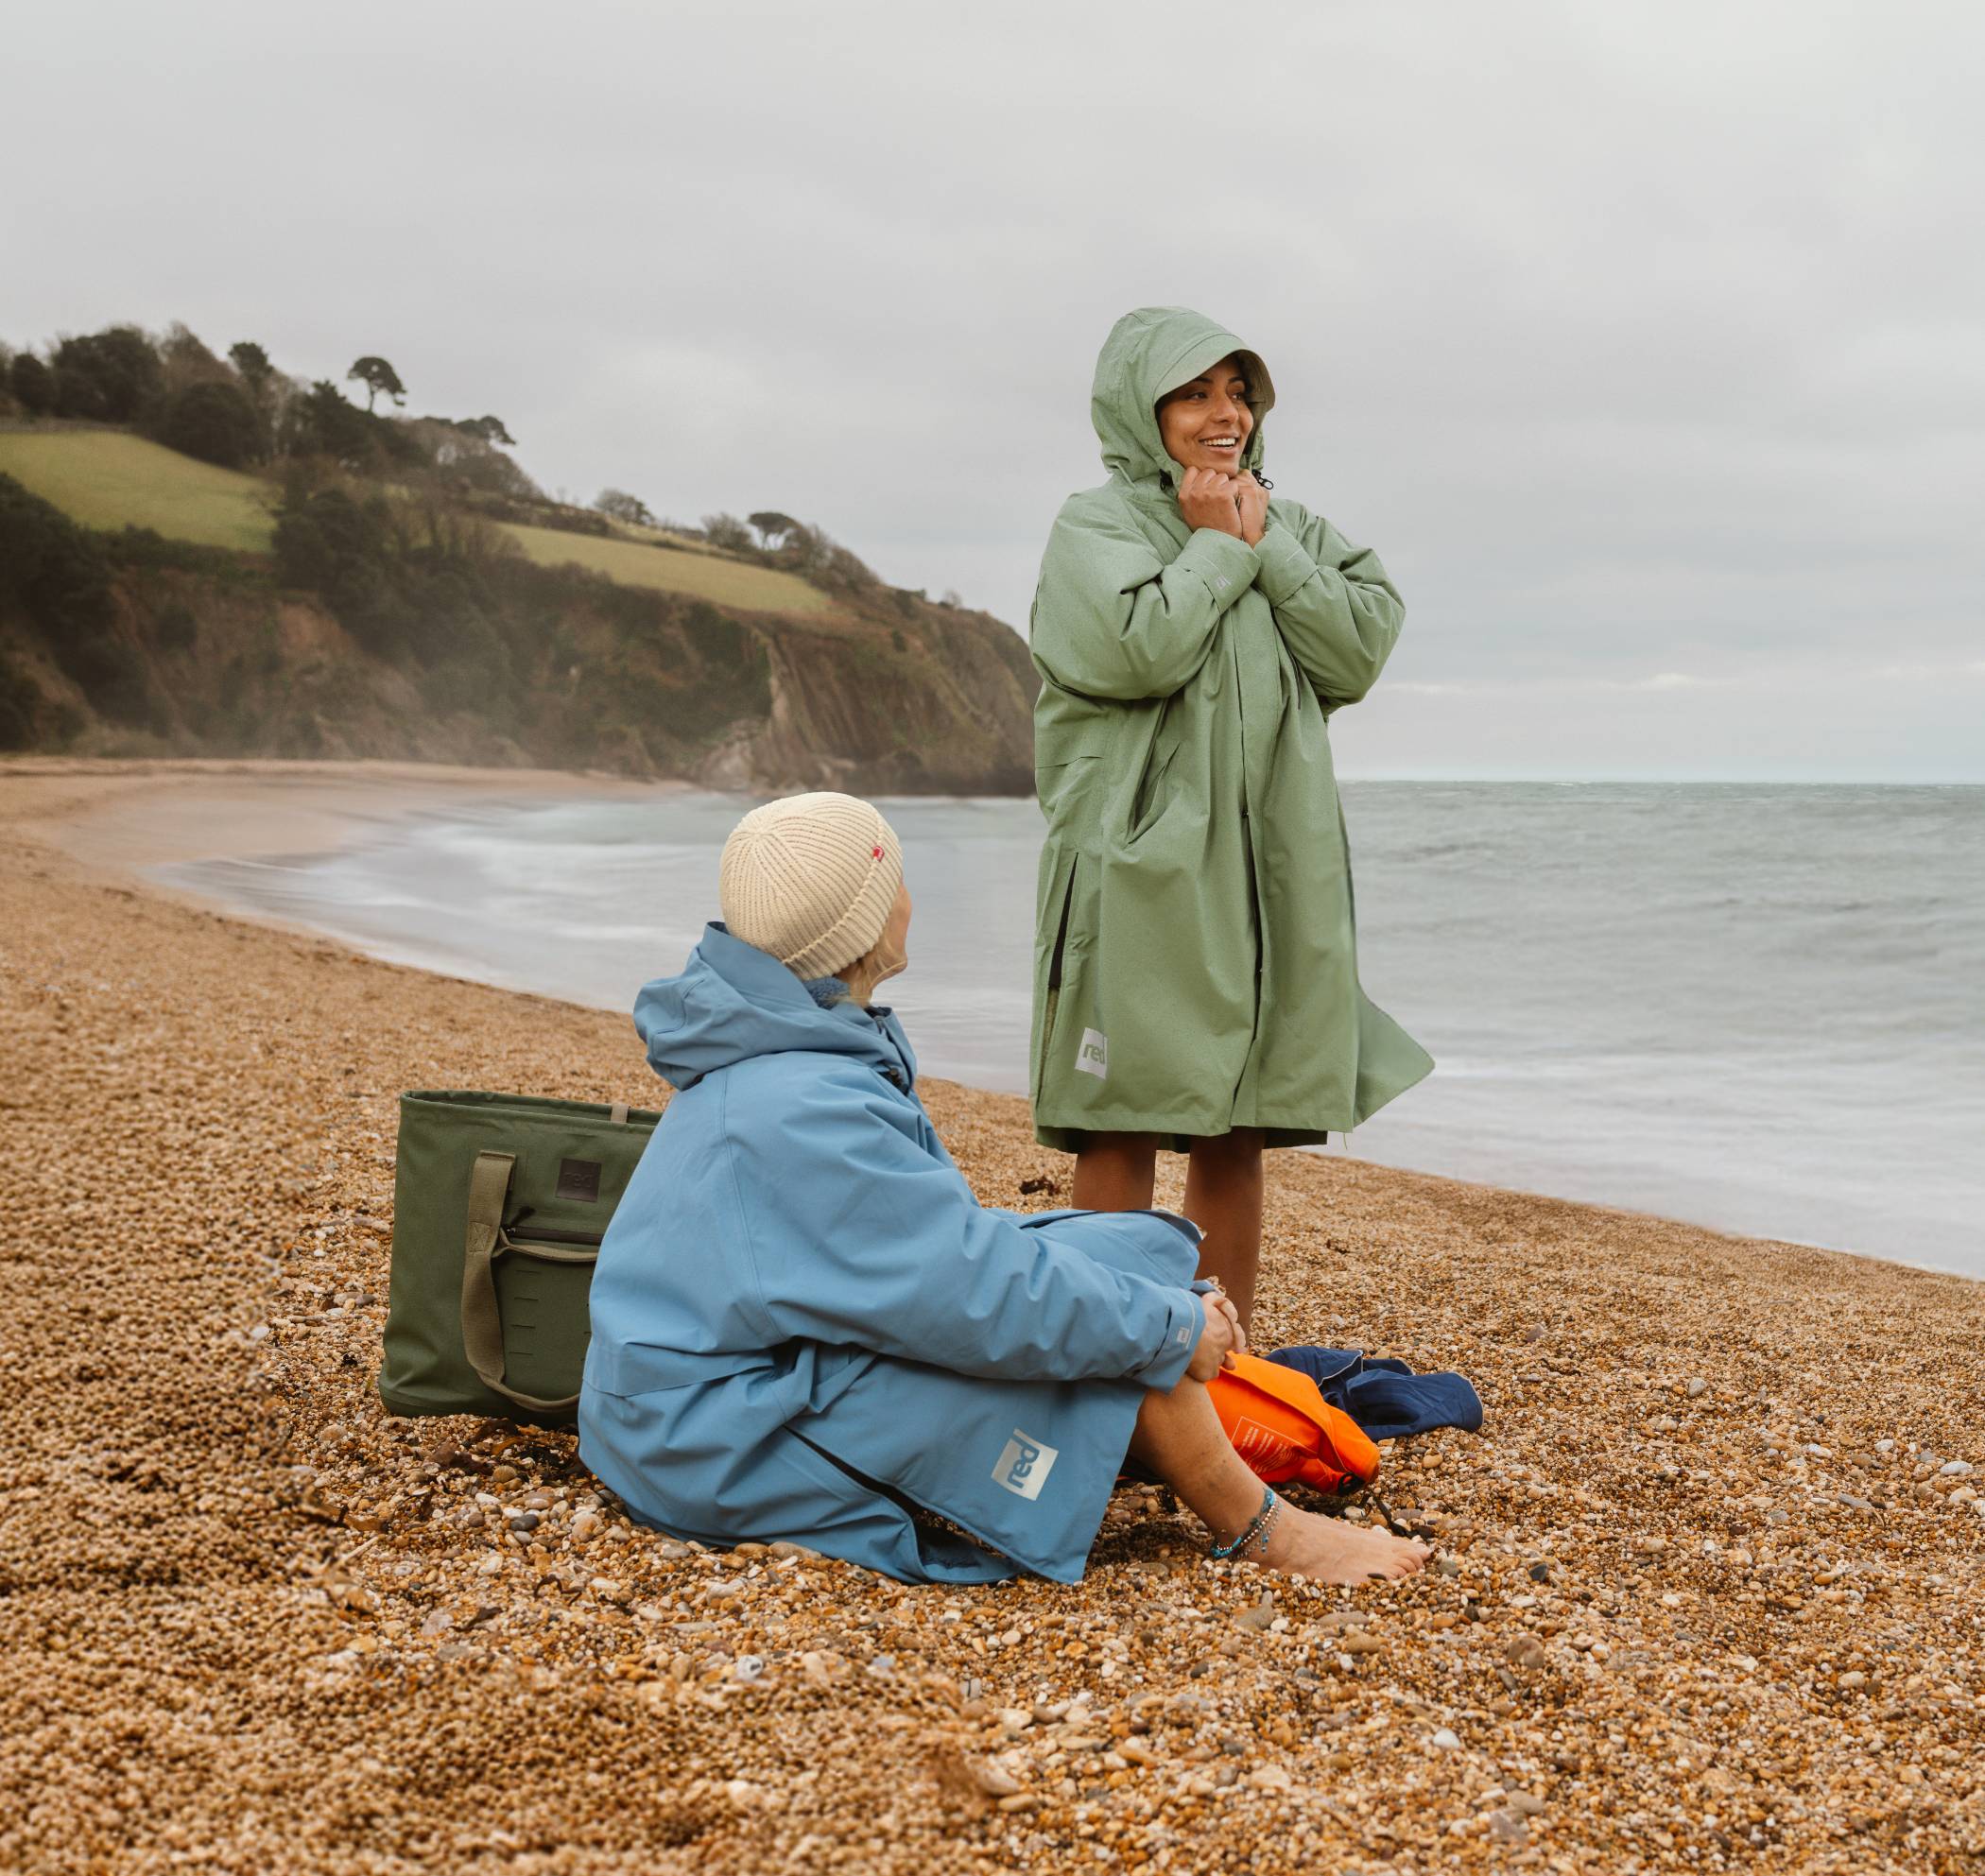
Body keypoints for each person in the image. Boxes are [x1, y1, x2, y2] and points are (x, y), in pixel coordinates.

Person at [579, 791, 1429, 1587]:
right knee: (1119, 1348)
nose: (909, 896)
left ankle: (1161, 1424)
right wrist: (1166, 1327)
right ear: (867, 925)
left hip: (719, 1383)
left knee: (1128, 1258)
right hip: (711, 1436)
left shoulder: (791, 1047)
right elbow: (970, 1293)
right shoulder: (803, 1106)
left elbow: (939, 1256)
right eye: (895, 877)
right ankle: (1263, 1529)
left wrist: (1149, 1292)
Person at [1028, 306, 1433, 1328]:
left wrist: (1267, 544)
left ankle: (1223, 1366)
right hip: (1138, 864)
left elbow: (1358, 649)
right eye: (1196, 392)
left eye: (1239, 392)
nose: (1227, 415)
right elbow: (1136, 652)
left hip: (1269, 868)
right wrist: (1218, 546)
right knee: (1118, 1113)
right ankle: (1099, 1362)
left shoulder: (1293, 526)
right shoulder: (1095, 527)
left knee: (1238, 1121)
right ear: (1141, 407)